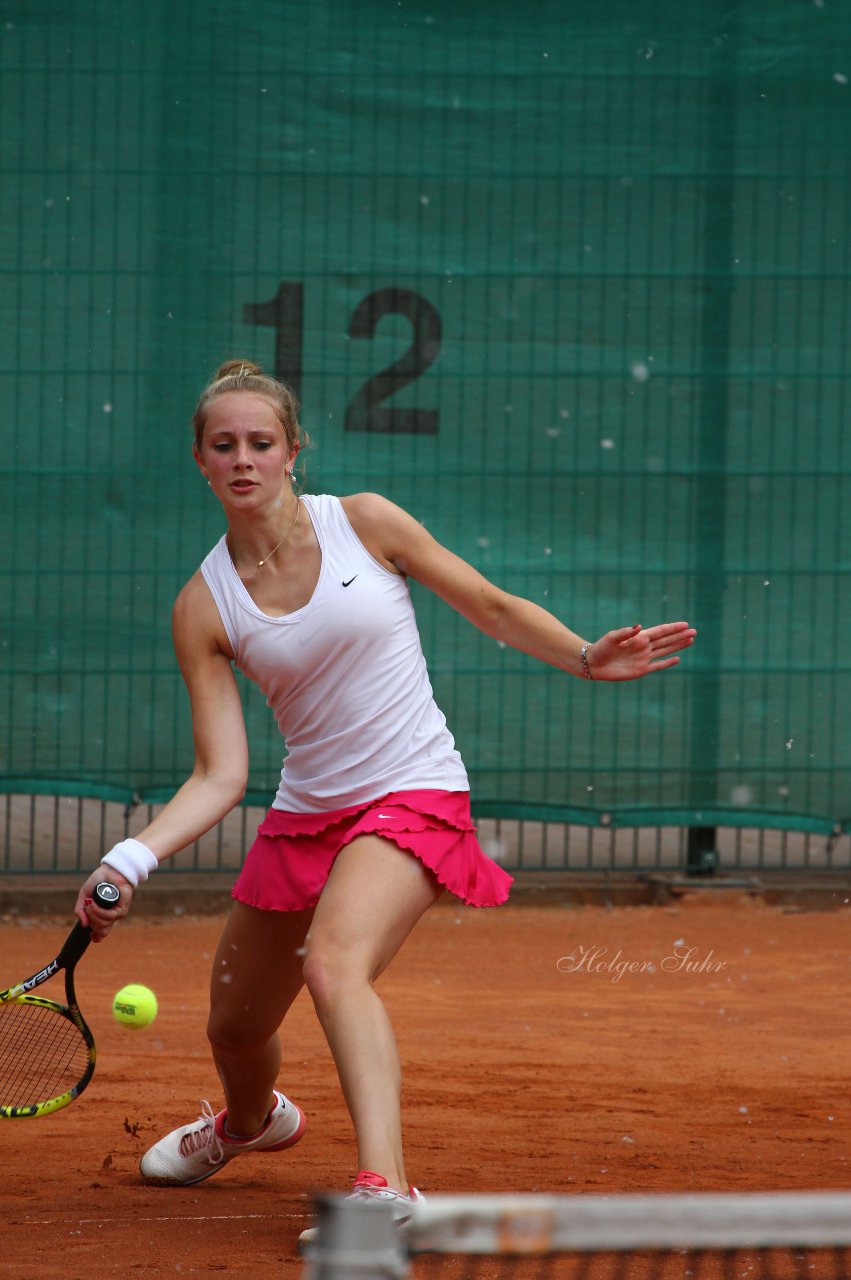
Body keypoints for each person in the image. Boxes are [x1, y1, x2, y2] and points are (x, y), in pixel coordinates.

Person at [75, 360, 696, 1240]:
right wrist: (127, 858)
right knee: (235, 1029)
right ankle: (249, 1125)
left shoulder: (364, 522)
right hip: (306, 811)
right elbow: (221, 773)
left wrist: (585, 656)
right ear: (200, 461)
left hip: (412, 789)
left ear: (295, 450)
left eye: (262, 442)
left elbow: (485, 601)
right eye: (225, 445)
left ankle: (386, 1193)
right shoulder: (202, 606)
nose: (244, 459)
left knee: (335, 965)